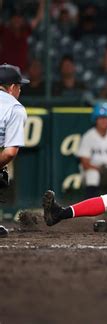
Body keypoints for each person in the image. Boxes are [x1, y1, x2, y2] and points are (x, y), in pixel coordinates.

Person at [0, 64, 29, 237]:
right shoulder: (14, 108)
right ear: (11, 88)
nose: (19, 91)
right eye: (19, 86)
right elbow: (10, 152)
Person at [76, 102, 107, 198]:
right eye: (101, 118)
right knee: (93, 174)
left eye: (106, 118)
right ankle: (90, 206)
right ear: (95, 119)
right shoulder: (88, 136)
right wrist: (100, 170)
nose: (104, 121)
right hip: (93, 170)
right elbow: (85, 163)